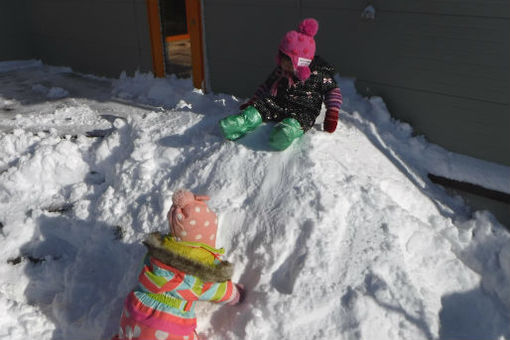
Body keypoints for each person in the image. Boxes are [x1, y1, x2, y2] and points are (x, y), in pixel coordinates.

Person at [112, 189, 244, 340]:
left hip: (133, 313)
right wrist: (236, 295)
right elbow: (219, 289)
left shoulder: (154, 257)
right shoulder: (202, 272)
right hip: (168, 328)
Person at [219, 18, 343, 150]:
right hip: (279, 102)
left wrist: (332, 113)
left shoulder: (318, 74)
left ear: (301, 62)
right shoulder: (281, 71)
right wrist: (254, 101)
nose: (283, 64)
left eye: (289, 61)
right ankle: (242, 122)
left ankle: (286, 133)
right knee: (263, 104)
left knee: (301, 120)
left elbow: (333, 91)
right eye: (282, 58)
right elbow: (266, 86)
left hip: (304, 109)